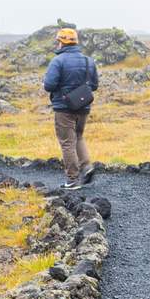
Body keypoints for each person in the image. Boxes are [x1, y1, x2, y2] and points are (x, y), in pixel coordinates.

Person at [42, 27, 99, 189]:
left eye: (58, 41)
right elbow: (94, 85)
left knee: (67, 142)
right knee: (78, 137)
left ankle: (73, 180)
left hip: (64, 108)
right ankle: (86, 167)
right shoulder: (89, 61)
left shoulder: (57, 61)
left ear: (62, 42)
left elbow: (49, 85)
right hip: (83, 106)